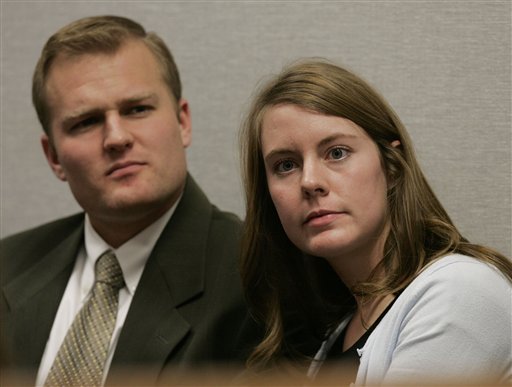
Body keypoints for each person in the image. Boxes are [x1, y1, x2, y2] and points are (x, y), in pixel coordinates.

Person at [0, 15, 258, 386]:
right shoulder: (7, 266)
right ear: (54, 156)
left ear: (182, 122)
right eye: (85, 121)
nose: (116, 138)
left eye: (137, 109)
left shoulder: (257, 275)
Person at [239, 59, 512, 385]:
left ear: (392, 166)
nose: (310, 181)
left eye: (336, 153)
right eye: (286, 165)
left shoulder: (460, 292)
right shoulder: (338, 334)